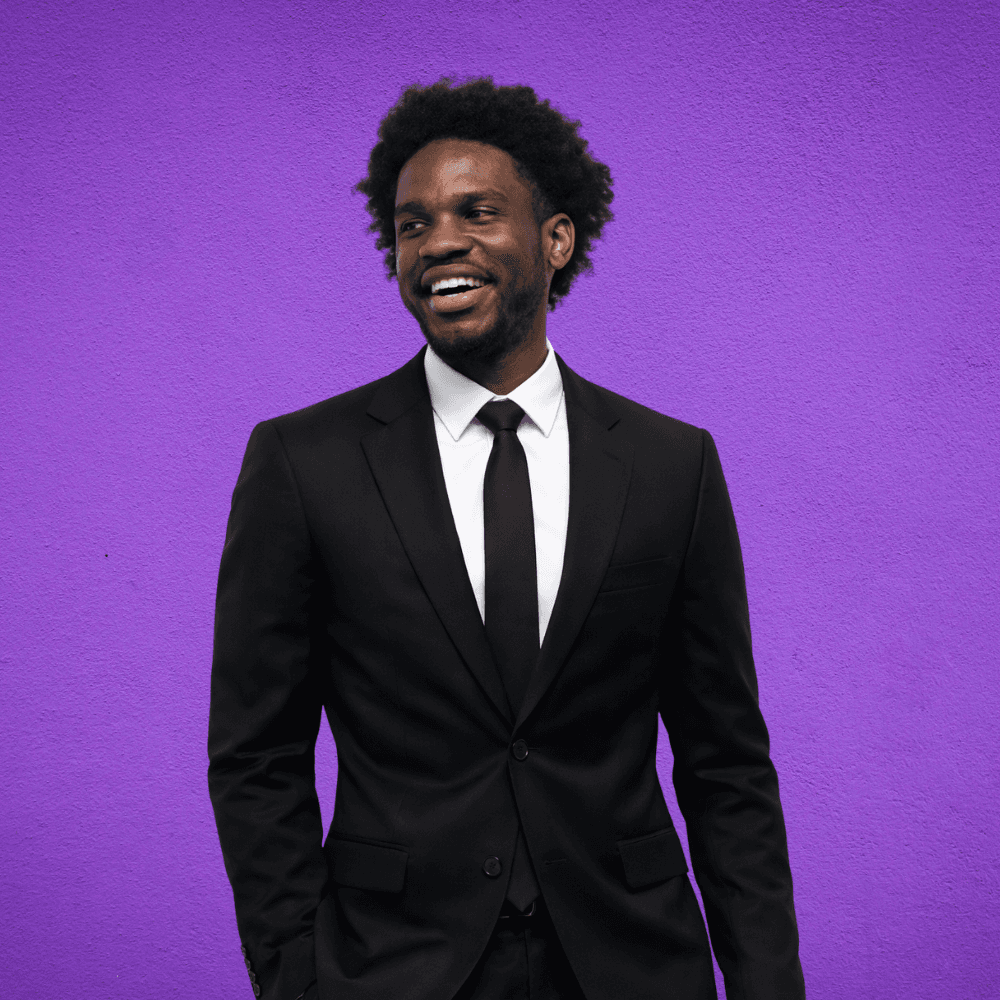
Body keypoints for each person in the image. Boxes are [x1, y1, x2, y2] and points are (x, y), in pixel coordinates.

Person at [208, 77, 805, 1000]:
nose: (439, 242)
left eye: (476, 212)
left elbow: (725, 760)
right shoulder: (303, 461)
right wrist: (297, 975)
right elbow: (257, 754)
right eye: (412, 225)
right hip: (392, 970)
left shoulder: (671, 464)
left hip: (632, 964)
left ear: (556, 240)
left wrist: (768, 984)